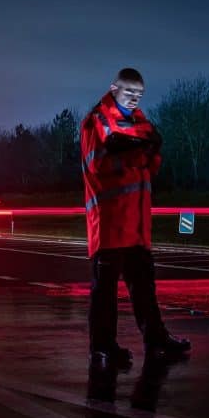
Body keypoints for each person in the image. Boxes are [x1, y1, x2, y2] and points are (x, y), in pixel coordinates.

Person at [81, 67, 190, 370]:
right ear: (114, 88)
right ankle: (102, 347)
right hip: (111, 223)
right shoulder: (97, 121)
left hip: (137, 224)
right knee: (105, 291)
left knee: (144, 288)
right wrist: (138, 151)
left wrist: (137, 150)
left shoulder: (139, 122)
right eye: (129, 92)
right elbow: (99, 165)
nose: (134, 99)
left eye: (138, 94)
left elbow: (151, 163)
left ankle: (155, 340)